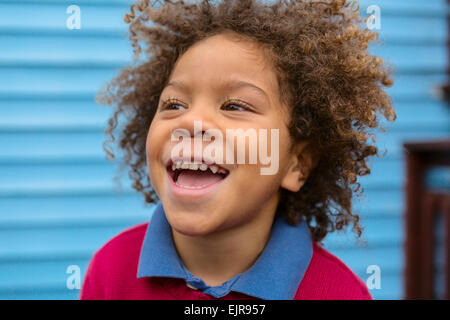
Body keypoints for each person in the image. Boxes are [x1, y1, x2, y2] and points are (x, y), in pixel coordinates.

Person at [80, 0, 395, 300]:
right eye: (174, 104)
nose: (191, 121)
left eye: (234, 105)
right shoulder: (111, 270)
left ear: (296, 164)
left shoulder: (338, 292)